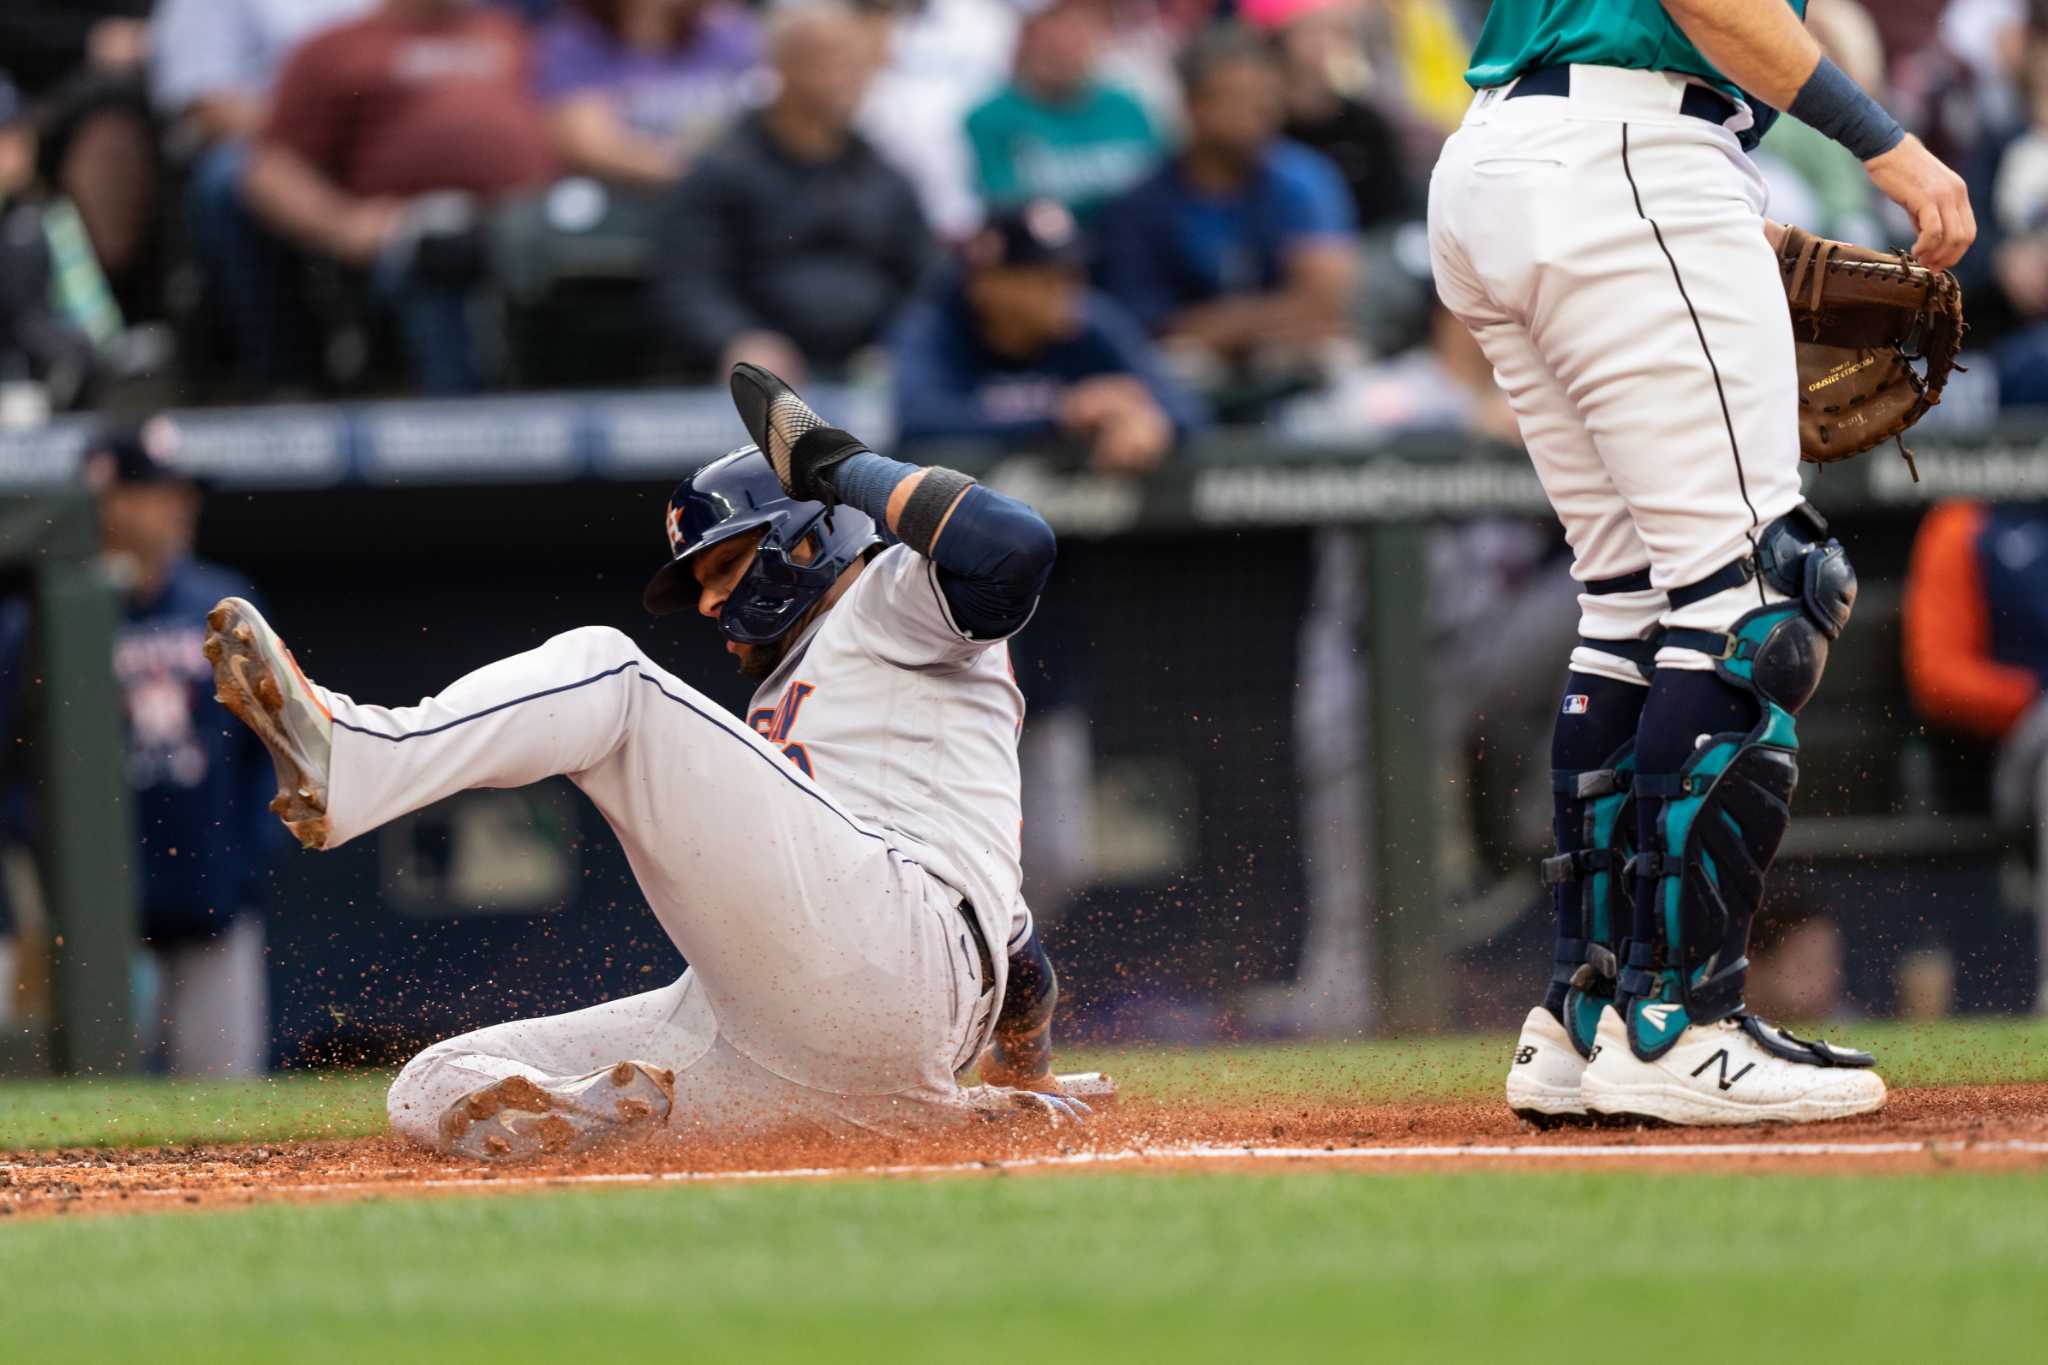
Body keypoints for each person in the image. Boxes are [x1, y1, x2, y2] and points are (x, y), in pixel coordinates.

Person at [203, 364, 1084, 1157]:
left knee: (612, 676)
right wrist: (1024, 1075)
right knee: (436, 1076)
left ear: (808, 538)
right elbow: (1018, 950)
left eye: (724, 564)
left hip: (899, 945)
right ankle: (588, 1114)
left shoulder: (894, 596)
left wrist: (835, 464)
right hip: (819, 1030)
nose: (705, 601)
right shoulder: (797, 703)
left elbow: (1014, 546)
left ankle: (353, 758)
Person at [1431, 0, 1974, 1125]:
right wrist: (1888, 144)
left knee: (1634, 603)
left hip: (1511, 162)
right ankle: (1678, 1021)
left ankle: (1585, 1020)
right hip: (1624, 154)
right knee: (1759, 596)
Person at [84, 421, 277, 1074]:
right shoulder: (48, 615)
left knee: (223, 1116)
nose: (178, 508)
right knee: (87, 1120)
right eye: (156, 492)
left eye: (180, 493)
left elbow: (273, 750)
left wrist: (243, 865)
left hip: (212, 909)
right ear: (108, 499)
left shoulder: (222, 607)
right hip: (93, 936)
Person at [242, 0, 561, 394]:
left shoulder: (510, 34)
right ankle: (455, 428)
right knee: (443, 248)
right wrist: (344, 224)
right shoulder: (334, 47)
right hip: (413, 233)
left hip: (532, 221)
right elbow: (272, 171)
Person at [654, 2, 934, 382]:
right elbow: (690, 284)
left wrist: (906, 343)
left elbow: (924, 280)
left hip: (875, 370)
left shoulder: (886, 175)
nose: (849, 77)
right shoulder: (722, 171)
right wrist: (737, 339)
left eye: (857, 62)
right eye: (829, 60)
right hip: (760, 380)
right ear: (782, 64)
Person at [1094, 24, 1357, 394]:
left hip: (1286, 356)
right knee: (1173, 366)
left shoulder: (1304, 179)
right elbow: (1147, 327)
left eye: (1268, 97)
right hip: (1191, 371)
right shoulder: (1143, 204)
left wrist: (1221, 325)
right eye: (1241, 98)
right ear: (1194, 107)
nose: (1263, 112)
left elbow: (1324, 308)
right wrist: (1267, 317)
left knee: (1335, 362)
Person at [151, 0, 376, 391]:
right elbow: (209, 103)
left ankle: (455, 390)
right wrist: (316, 141)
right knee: (228, 183)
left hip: (392, 140)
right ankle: (286, 380)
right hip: (272, 144)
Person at [890, 199, 1204, 469]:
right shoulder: (935, 327)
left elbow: (1185, 408)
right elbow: (919, 422)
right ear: (987, 285)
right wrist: (1061, 415)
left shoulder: (1093, 319)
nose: (1067, 291)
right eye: (1044, 278)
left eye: (1072, 273)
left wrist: (1151, 422)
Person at [965, 0, 1164, 225]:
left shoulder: (1127, 108)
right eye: (1055, 29)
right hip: (1042, 253)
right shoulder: (990, 118)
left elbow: (1164, 192)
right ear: (1029, 36)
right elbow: (1000, 210)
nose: (1067, 42)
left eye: (1080, 28)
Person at [535, 0, 763, 190]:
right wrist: (698, 175)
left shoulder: (726, 31)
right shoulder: (575, 43)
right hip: (630, 199)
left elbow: (768, 114)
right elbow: (590, 145)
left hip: (731, 196)